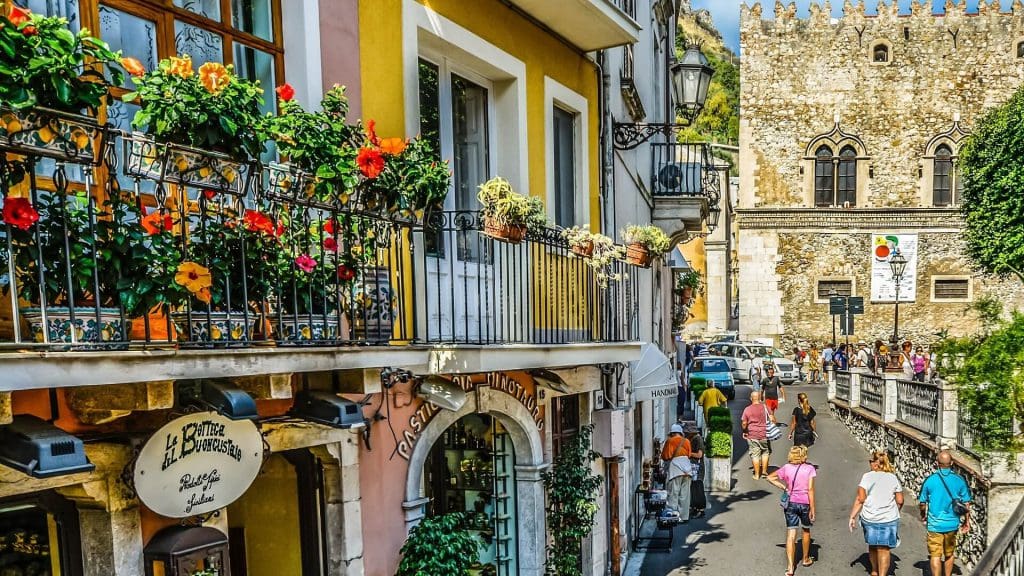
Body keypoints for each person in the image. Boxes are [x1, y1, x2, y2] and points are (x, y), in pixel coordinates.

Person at [849, 451, 904, 576]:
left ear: (875, 463)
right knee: (884, 549)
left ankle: (874, 571)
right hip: (888, 518)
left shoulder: (867, 477)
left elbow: (860, 499)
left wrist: (852, 516)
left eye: (871, 461)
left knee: (873, 545)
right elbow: (900, 500)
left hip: (870, 518)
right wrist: (895, 510)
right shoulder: (892, 478)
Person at [919, 451, 972, 576]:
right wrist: (967, 522)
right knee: (949, 554)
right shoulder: (959, 480)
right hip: (952, 524)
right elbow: (966, 504)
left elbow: (922, 503)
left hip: (934, 524)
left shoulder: (930, 481)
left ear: (937, 463)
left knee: (935, 555)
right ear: (952, 463)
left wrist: (923, 515)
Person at [768, 446, 817, 576]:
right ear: (804, 455)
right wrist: (812, 508)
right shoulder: (810, 469)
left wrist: (784, 487)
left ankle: (790, 567)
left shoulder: (786, 468)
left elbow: (770, 477)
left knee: (791, 534)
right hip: (805, 502)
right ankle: (805, 559)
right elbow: (811, 489)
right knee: (806, 530)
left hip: (791, 503)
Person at [660, 423, 693, 522]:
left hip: (676, 468)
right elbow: (689, 454)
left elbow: (665, 456)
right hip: (687, 467)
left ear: (672, 433)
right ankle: (684, 517)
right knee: (685, 494)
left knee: (673, 493)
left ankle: (673, 516)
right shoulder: (686, 441)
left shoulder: (670, 441)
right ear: (680, 433)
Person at [741, 391, 771, 480]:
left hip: (752, 434)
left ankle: (757, 475)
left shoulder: (747, 409)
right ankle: (764, 472)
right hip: (764, 433)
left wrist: (745, 431)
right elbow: (773, 419)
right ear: (760, 398)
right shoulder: (765, 407)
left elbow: (744, 423)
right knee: (765, 452)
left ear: (751, 398)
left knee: (755, 455)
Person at [684, 422, 707, 518]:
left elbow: (699, 455)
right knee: (693, 487)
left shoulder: (698, 439)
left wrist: (688, 453)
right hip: (692, 466)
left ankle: (700, 509)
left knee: (698, 487)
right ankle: (694, 508)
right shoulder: (690, 439)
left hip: (697, 467)